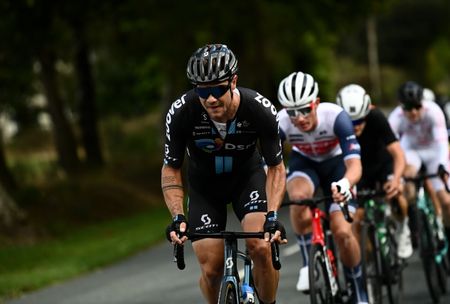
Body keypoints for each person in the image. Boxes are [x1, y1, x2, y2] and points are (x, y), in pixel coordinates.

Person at [162, 44, 287, 304]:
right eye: (202, 91)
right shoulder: (181, 112)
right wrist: (178, 216)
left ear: (234, 81)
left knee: (260, 247)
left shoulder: (258, 108)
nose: (211, 99)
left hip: (247, 180)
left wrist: (273, 215)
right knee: (211, 269)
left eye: (218, 89)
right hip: (205, 188)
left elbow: (276, 166)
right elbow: (171, 167)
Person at [277, 72, 368, 304]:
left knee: (343, 233)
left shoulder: (336, 117)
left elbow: (355, 164)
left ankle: (359, 292)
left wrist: (346, 184)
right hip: (305, 163)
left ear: (315, 103)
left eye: (305, 109)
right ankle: (308, 264)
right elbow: (270, 166)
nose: (299, 118)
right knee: (297, 198)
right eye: (292, 111)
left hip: (337, 166)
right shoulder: (280, 123)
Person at [336, 84, 413, 259]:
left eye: (359, 121)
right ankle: (368, 261)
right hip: (358, 169)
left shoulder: (376, 116)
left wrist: (396, 179)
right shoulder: (337, 122)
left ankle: (403, 229)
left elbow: (398, 154)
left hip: (382, 163)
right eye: (351, 122)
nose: (355, 127)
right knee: (356, 219)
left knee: (397, 195)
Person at [388, 81, 450, 250]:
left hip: (434, 151)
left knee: (446, 200)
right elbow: (390, 148)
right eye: (408, 108)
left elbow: (442, 143)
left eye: (417, 106)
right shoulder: (395, 117)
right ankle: (409, 225)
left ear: (422, 103)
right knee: (406, 184)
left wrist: (443, 165)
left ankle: (445, 228)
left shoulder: (434, 111)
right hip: (411, 151)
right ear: (402, 107)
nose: (413, 112)